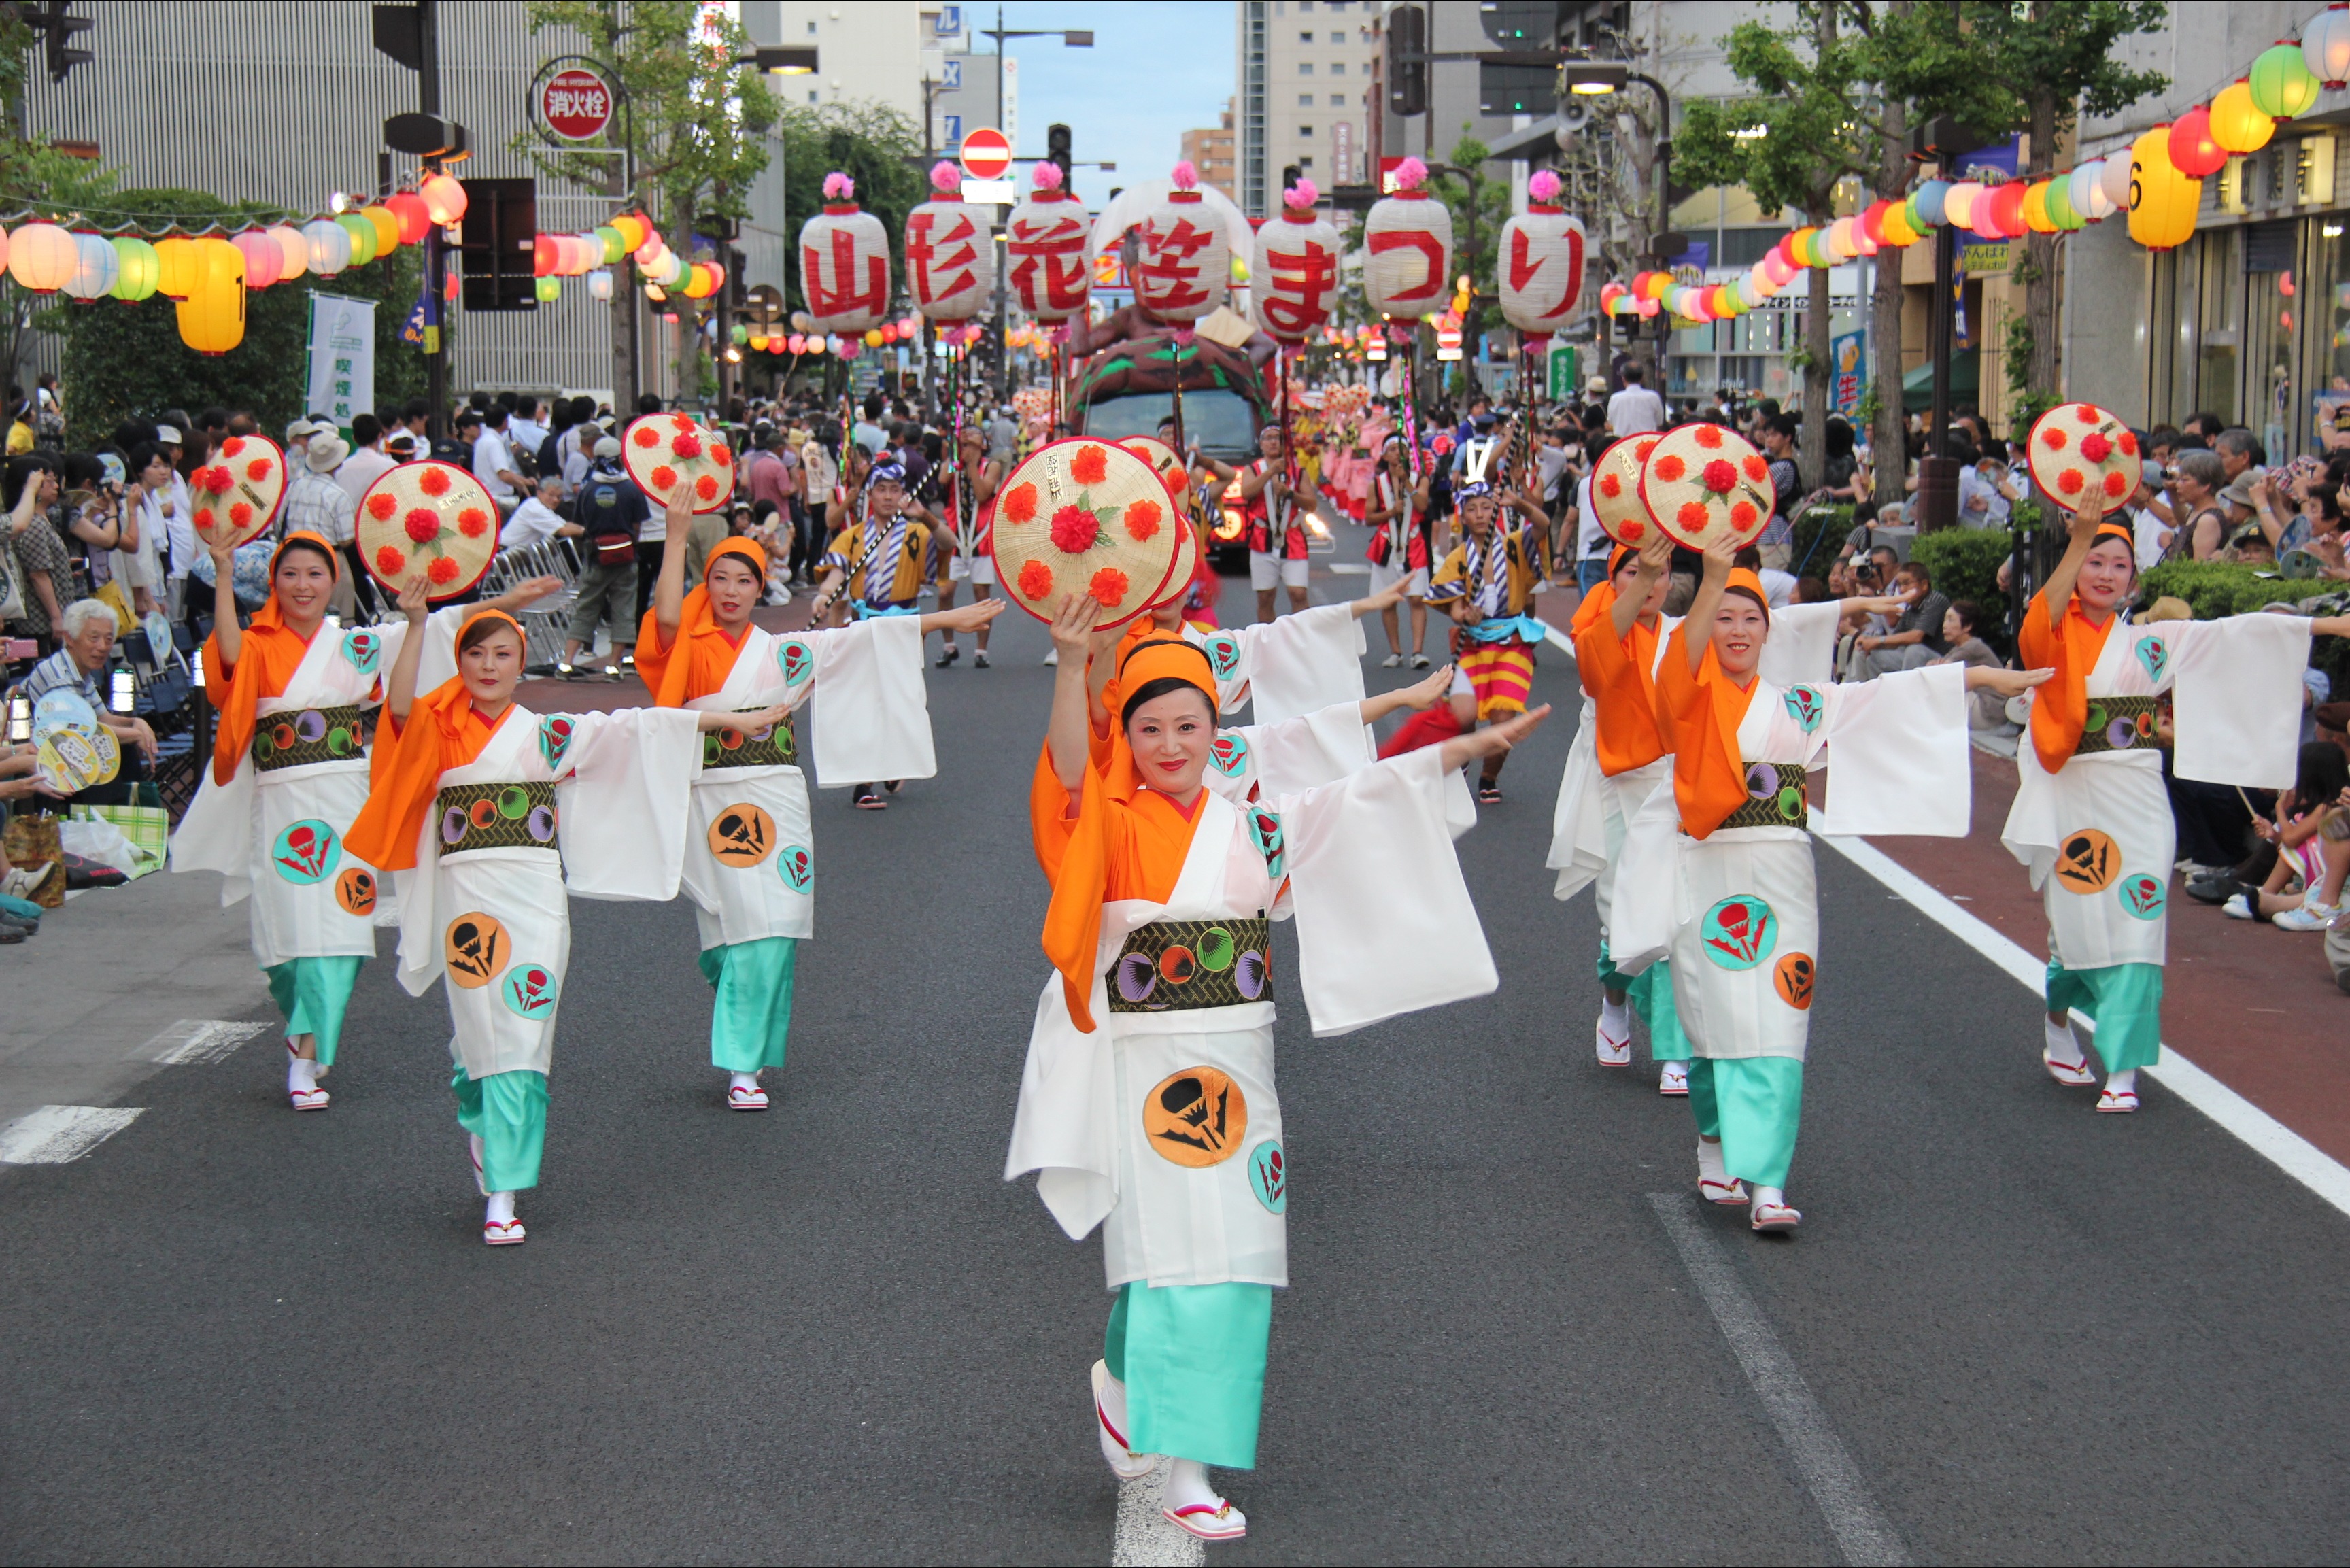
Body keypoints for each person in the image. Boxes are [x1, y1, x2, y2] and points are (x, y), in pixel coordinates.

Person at [1008, 594, 1544, 1543]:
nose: (1170, 743)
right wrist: (1068, 668)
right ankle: (1182, 1466)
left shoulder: (1253, 823)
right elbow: (1068, 775)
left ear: (1219, 730)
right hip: (1147, 1064)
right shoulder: (1115, 821)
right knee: (1184, 1258)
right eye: (1149, 728)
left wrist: (1456, 748)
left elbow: (1357, 806)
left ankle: (1124, 1390)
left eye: (1189, 724)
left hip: (1240, 1069)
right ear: (1123, 737)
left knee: (1232, 1258)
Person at [1607, 543, 2047, 1228]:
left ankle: (1770, 1182)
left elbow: (1885, 698)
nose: (1737, 630)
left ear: (1768, 630)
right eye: (1722, 617)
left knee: (1781, 1019)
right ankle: (1715, 1136)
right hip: (1708, 866)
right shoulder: (1686, 695)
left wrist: (1980, 680)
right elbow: (1675, 666)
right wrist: (1714, 576)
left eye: (1750, 617)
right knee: (1714, 1018)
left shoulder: (1801, 705)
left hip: (1782, 869)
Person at [344, 590, 784, 1245]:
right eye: (476, 654)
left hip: (535, 895)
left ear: (522, 664)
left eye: (504, 655)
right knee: (481, 1033)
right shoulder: (438, 728)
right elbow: (399, 708)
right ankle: (484, 1116)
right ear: (458, 661)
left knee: (524, 1030)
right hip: (467, 897)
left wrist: (726, 722)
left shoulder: (545, 733)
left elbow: (637, 727)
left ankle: (505, 1189)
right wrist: (415, 628)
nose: (489, 666)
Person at [171, 530, 559, 1110]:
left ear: (334, 583)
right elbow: (228, 659)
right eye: (292, 575)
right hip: (279, 808)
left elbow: (435, 628)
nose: (304, 585)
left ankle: (306, 1057)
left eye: (316, 574)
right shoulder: (257, 643)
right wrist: (224, 574)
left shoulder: (354, 645)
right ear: (275, 583)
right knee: (287, 942)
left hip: (347, 799)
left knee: (344, 936)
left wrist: (505, 604)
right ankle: (301, 1026)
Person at [637, 498, 1002, 1109]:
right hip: (711, 798)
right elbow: (666, 619)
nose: (731, 591)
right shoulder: (690, 647)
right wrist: (676, 538)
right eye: (720, 578)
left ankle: (742, 1066)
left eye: (745, 580)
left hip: (776, 797)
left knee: (774, 927)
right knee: (729, 938)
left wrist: (945, 622)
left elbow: (861, 640)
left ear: (761, 589)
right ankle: (740, 1009)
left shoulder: (783, 652)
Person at [2004, 495, 2350, 1110]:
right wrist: (2078, 539)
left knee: (2139, 927)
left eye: (2120, 565)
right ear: (2077, 568)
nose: (2106, 574)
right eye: (2095, 562)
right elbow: (2035, 628)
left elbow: (2237, 635)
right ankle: (2059, 1024)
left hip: (2136, 795)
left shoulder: (2152, 643)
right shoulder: (2053, 633)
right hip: (2071, 794)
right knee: (2075, 932)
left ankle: (2124, 1070)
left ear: (2134, 581)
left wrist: (2325, 627)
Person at [1410, 465, 1548, 804]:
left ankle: (1489, 776)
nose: (1480, 514)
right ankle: (1463, 760)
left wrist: (1521, 505)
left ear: (1496, 511)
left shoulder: (1515, 547)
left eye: (1487, 507)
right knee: (1464, 716)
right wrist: (1464, 614)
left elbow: (1542, 526)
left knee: (1504, 718)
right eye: (1472, 509)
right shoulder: (1459, 558)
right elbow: (1453, 607)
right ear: (1464, 516)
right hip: (1472, 643)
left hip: (1511, 644)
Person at [808, 460, 935, 807]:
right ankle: (863, 783)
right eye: (882, 490)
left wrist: (926, 516)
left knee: (900, 698)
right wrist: (825, 595)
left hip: (904, 624)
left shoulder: (917, 534)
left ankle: (892, 759)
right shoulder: (852, 537)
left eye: (895, 490)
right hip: (864, 623)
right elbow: (836, 575)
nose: (889, 497)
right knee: (865, 700)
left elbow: (950, 545)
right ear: (870, 495)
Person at [562, 437, 648, 681]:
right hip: (626, 558)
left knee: (587, 606)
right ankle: (614, 666)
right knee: (624, 610)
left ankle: (566, 663)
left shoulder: (588, 489)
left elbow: (581, 524)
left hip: (595, 557)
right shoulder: (631, 489)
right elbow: (637, 526)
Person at [932, 425, 1004, 669]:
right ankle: (948, 646)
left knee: (982, 596)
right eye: (964, 444)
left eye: (973, 444)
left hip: (980, 541)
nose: (968, 449)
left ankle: (981, 650)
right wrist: (955, 458)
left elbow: (984, 494)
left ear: (983, 445)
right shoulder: (953, 465)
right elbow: (942, 479)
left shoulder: (991, 465)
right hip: (952, 539)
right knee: (944, 592)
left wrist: (972, 465)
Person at [1362, 438, 1432, 668]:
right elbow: (1369, 517)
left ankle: (1418, 651)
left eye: (1401, 449)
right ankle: (1396, 651)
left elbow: (1423, 506)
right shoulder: (1377, 484)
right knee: (1388, 601)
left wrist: (1407, 485)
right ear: (1384, 455)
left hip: (1414, 544)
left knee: (1417, 598)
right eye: (1392, 450)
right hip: (1386, 545)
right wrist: (1391, 512)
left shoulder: (1419, 479)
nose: (1397, 454)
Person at [1236, 426, 1308, 622]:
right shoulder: (1253, 469)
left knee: (1298, 593)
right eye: (1268, 438)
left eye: (1278, 438)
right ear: (1261, 444)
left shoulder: (1297, 470)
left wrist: (1290, 494)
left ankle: (1302, 641)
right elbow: (1246, 493)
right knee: (1265, 597)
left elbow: (1311, 503)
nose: (1273, 442)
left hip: (1292, 535)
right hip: (1262, 537)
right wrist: (1270, 473)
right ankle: (1268, 641)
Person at [499, 474, 577, 552]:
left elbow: (565, 524)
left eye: (559, 497)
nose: (555, 500)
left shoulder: (545, 507)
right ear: (539, 493)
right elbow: (563, 531)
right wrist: (585, 532)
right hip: (506, 554)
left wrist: (583, 529)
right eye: (551, 495)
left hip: (519, 554)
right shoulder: (535, 507)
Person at [1605, 362, 1665, 437]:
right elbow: (1659, 421)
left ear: (1623, 378)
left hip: (1622, 443)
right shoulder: (1653, 397)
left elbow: (1611, 422)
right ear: (1642, 378)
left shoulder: (1615, 398)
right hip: (1647, 444)